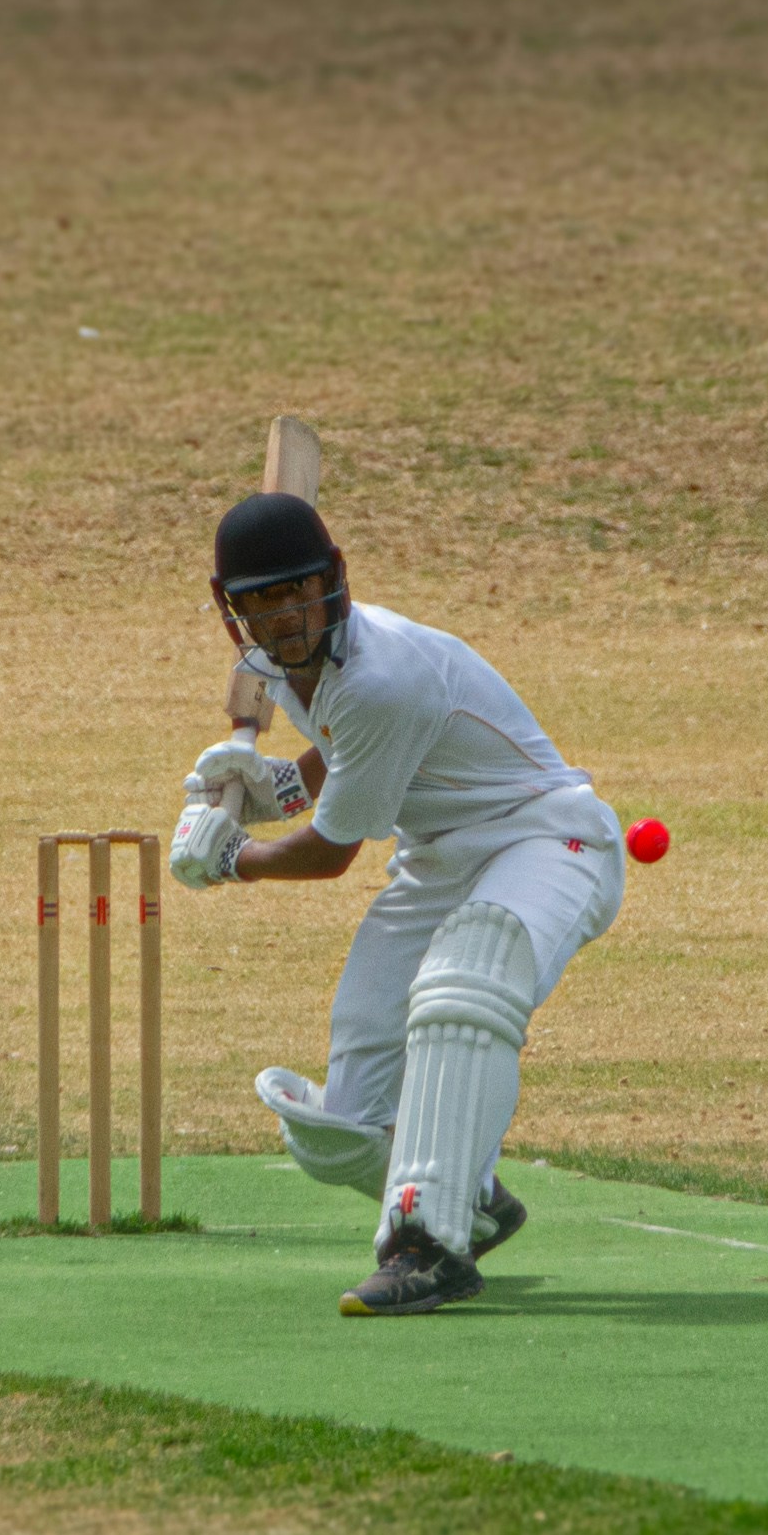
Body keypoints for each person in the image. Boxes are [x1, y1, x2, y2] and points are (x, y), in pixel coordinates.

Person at [171, 492, 627, 1316]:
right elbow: (341, 746)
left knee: (464, 980)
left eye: (298, 591)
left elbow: (332, 854)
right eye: (262, 601)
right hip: (439, 854)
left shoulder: (382, 672)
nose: (285, 617)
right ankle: (476, 1199)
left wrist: (238, 859)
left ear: (335, 577)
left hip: (545, 839)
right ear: (227, 606)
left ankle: (429, 1245)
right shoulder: (298, 664)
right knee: (338, 1129)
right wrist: (275, 786)